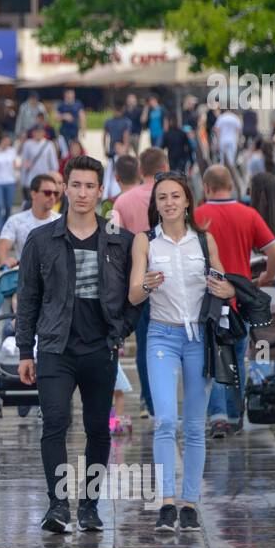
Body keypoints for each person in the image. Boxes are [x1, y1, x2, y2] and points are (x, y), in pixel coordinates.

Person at [16, 155, 136, 534]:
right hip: (55, 345)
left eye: (90, 186)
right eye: (76, 185)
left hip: (100, 346)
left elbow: (137, 296)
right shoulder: (41, 239)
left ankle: (89, 506)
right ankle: (57, 505)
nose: (82, 193)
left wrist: (120, 331)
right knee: (54, 421)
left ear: (101, 192)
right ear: (64, 188)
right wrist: (23, 350)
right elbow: (28, 297)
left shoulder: (119, 240)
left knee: (99, 427)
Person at [128, 172, 236, 531]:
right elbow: (133, 295)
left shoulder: (204, 241)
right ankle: (167, 501)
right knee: (165, 420)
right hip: (161, 335)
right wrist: (145, 284)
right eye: (162, 197)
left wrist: (224, 290)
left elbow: (224, 288)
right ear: (155, 204)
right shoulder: (145, 242)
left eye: (176, 196)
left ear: (188, 200)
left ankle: (190, 502)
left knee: (193, 425)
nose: (169, 202)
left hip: (199, 339)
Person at [196, 164, 275, 436]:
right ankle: (235, 415)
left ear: (206, 188)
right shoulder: (249, 214)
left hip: (206, 300)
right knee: (237, 356)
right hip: (240, 300)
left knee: (213, 359)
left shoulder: (197, 215)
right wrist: (265, 278)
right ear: (231, 186)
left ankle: (218, 416)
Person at [111, 148, 168, 420]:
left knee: (145, 341)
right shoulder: (171, 196)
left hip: (136, 279)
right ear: (164, 166)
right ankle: (162, 399)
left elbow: (113, 241)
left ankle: (148, 400)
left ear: (140, 170)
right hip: (169, 279)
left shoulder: (123, 201)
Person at [0, 173, 61, 268]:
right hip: (25, 276)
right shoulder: (16, 220)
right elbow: (2, 249)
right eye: (47, 193)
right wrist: (5, 262)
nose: (52, 197)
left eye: (55, 193)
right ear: (33, 194)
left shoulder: (62, 221)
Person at [18, 124, 59, 207]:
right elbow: (24, 163)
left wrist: (54, 179)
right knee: (30, 204)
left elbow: (54, 164)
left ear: (44, 133)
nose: (38, 134)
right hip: (30, 180)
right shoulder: (28, 144)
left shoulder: (49, 144)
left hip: (45, 178)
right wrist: (23, 180)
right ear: (33, 133)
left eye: (40, 132)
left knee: (43, 203)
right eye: (36, 132)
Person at [0, 132, 18, 231]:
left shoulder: (12, 151)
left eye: (8, 141)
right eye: (5, 140)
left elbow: (15, 165)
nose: (7, 143)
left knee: (8, 206)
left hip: (10, 181)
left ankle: (7, 227)